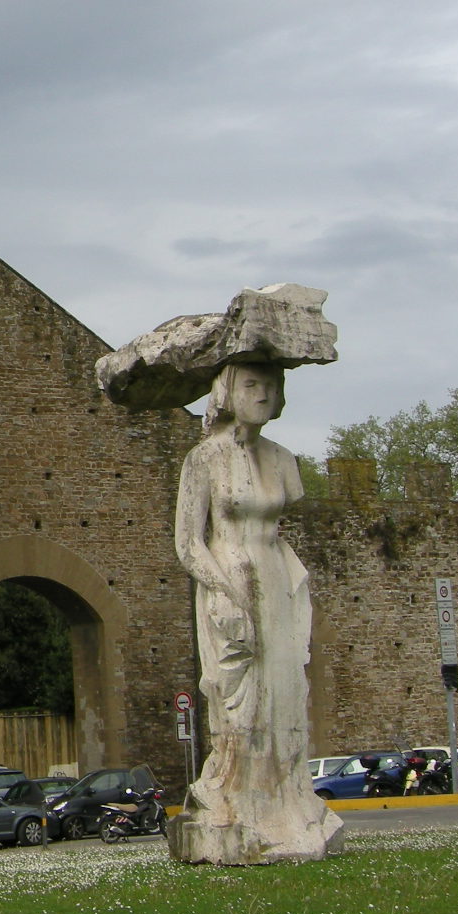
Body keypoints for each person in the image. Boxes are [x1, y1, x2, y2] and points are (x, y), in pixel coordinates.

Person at [169, 361, 344, 865]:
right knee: (238, 699)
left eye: (272, 385)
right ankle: (233, 800)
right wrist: (222, 592)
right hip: (227, 582)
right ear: (228, 391)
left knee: (286, 694)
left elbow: (280, 530)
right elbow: (187, 543)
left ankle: (289, 804)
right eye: (252, 385)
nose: (264, 394)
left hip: (277, 582)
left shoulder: (284, 459)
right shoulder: (203, 460)